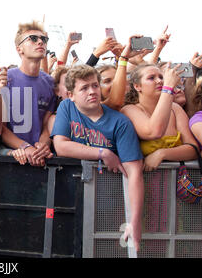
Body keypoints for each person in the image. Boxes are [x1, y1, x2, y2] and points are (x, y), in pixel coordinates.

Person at [51, 64, 144, 251]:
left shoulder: (120, 122)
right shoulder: (67, 107)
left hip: (109, 197)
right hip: (69, 195)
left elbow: (134, 173)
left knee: (105, 247)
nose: (92, 91)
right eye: (84, 88)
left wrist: (134, 221)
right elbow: (61, 146)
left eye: (95, 85)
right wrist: (103, 153)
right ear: (71, 95)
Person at [0, 20, 55, 166]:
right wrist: (25, 147)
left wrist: (41, 146)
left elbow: (47, 124)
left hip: (40, 157)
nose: (40, 42)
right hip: (10, 157)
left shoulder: (49, 82)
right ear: (19, 49)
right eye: (33, 39)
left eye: (44, 39)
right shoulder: (5, 79)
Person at [121, 64, 198, 170]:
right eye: (151, 78)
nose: (159, 81)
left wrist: (162, 154)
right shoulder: (129, 110)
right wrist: (168, 88)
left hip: (176, 181)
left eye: (161, 77)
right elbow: (154, 132)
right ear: (137, 86)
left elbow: (193, 149)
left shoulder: (175, 108)